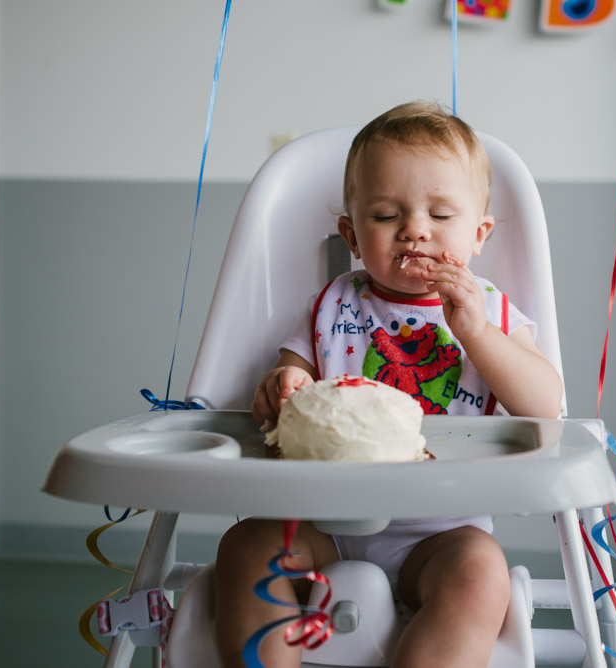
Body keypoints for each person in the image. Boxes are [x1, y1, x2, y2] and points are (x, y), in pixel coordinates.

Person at [215, 101, 563, 668]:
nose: (414, 230)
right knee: (246, 545)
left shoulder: (490, 312)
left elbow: (546, 404)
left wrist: (478, 335)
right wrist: (283, 386)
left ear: (478, 234)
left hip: (442, 527)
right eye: (384, 216)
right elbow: (288, 383)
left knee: (481, 573)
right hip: (323, 520)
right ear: (351, 235)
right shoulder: (333, 304)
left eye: (440, 214)